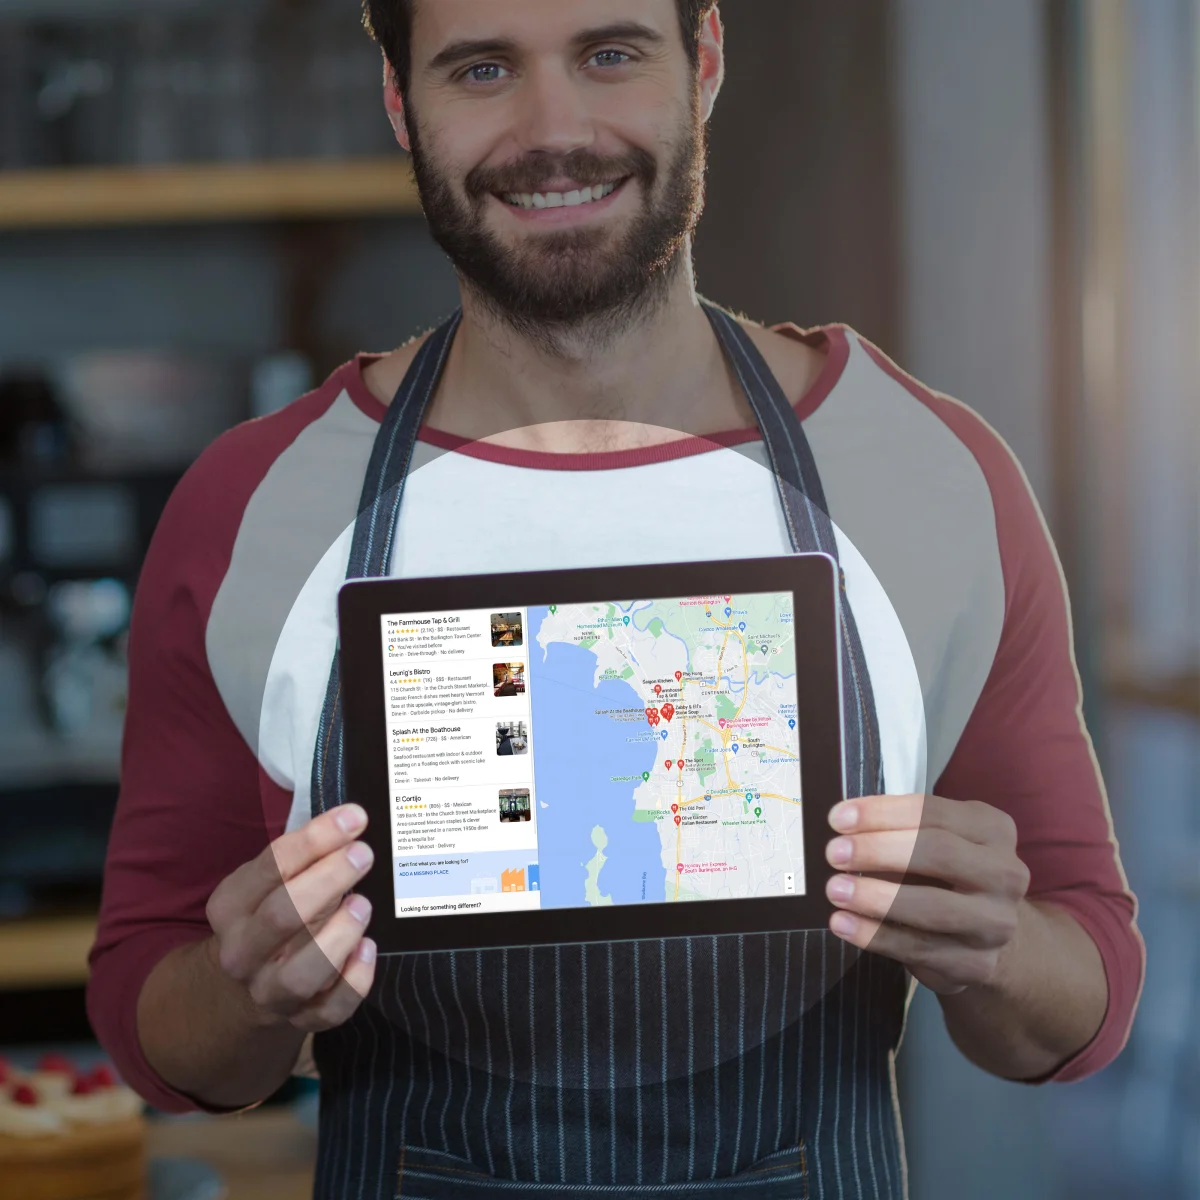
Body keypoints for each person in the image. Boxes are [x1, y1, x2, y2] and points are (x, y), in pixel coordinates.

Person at [88, 2, 1144, 1197]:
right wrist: (245, 991)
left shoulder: (932, 476)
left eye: (609, 53)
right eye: (481, 68)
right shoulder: (249, 505)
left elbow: (1081, 1001)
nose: (556, 129)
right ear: (399, 103)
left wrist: (995, 948)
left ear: (704, 63)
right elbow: (152, 1023)